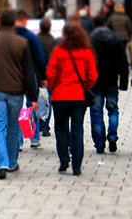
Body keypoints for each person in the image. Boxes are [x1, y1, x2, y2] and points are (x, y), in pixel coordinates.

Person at [0, 10, 39, 179]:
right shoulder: (22, 43)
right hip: (16, 91)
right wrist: (33, 96)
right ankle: (12, 163)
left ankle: (1, 164)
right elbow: (28, 72)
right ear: (15, 23)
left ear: (1, 23)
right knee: (13, 127)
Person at [46, 24, 98, 176]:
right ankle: (77, 166)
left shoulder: (58, 51)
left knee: (60, 128)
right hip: (79, 97)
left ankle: (63, 159)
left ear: (66, 35)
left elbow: (50, 72)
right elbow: (93, 74)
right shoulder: (86, 52)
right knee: (77, 130)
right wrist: (86, 86)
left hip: (60, 96)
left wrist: (54, 88)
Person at [89, 15, 129, 154]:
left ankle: (100, 144)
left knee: (96, 113)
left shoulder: (90, 39)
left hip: (95, 82)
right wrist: (123, 82)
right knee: (113, 109)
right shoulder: (116, 39)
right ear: (106, 24)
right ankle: (112, 136)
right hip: (112, 81)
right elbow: (123, 62)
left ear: (94, 24)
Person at [15, 10, 47, 148]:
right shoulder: (31, 37)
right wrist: (43, 76)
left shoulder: (10, 36)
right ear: (25, 21)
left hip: (13, 76)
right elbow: (40, 58)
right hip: (30, 75)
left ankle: (19, 141)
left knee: (16, 109)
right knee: (31, 105)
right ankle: (33, 138)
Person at [37, 18, 59, 137]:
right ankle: (45, 127)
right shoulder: (53, 41)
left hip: (35, 75)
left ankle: (32, 131)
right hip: (48, 74)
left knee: (32, 102)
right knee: (46, 101)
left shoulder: (35, 39)